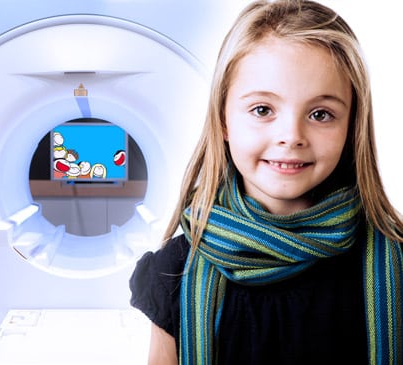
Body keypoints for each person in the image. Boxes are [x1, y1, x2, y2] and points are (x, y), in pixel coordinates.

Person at [129, 0, 403, 364]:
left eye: (321, 114)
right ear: (223, 119)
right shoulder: (171, 273)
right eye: (262, 110)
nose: (291, 135)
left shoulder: (395, 264)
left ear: (351, 127)